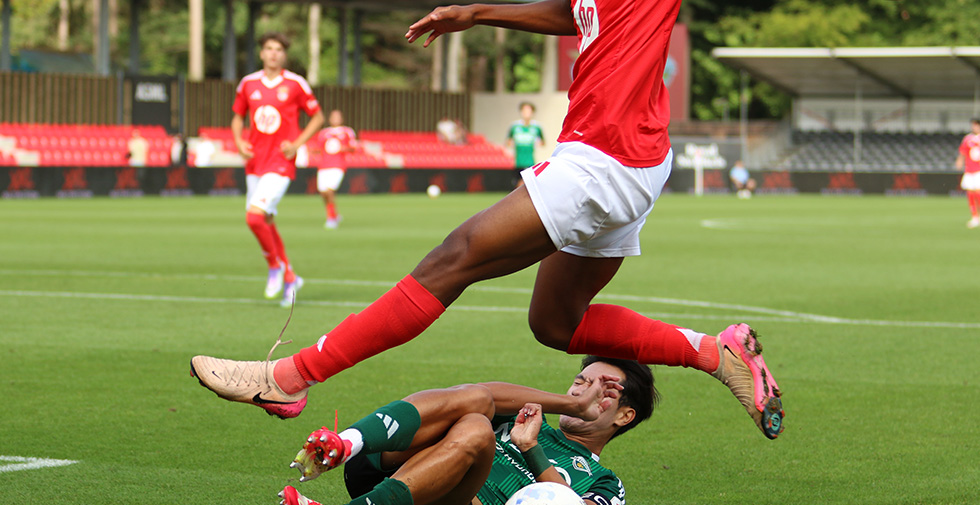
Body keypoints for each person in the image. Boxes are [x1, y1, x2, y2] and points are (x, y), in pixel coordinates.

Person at [190, 0, 784, 440]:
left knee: (455, 258)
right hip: (629, 158)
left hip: (604, 158)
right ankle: (715, 352)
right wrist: (478, 14)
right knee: (556, 323)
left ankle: (293, 375)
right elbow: (577, 15)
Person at [278, 356, 655, 505]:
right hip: (384, 465)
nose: (586, 391)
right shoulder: (532, 416)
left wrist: (531, 448)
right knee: (476, 403)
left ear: (624, 415)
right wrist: (572, 404)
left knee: (476, 428)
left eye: (604, 390)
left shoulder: (605, 481)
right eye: (581, 381)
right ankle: (346, 444)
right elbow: (481, 393)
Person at [232, 32, 325, 307]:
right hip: (255, 161)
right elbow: (237, 117)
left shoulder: (295, 84)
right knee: (265, 221)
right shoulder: (248, 83)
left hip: (281, 162)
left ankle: (275, 267)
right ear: (261, 53)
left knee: (253, 217)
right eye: (269, 49)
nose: (273, 53)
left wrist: (297, 144)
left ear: (284, 55)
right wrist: (238, 142)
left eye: (278, 50)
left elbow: (317, 117)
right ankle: (291, 278)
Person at [311, 109, 357, 229]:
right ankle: (334, 214)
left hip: (337, 165)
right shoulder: (324, 133)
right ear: (330, 119)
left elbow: (353, 147)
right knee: (323, 192)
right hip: (324, 165)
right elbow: (318, 148)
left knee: (329, 191)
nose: (335, 119)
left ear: (342, 119)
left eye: (338, 116)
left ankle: (331, 217)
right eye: (333, 116)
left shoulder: (347, 131)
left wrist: (341, 148)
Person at [506, 101, 545, 187]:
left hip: (530, 161)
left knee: (529, 185)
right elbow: (508, 141)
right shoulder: (514, 126)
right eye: (524, 111)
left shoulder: (536, 127)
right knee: (517, 185)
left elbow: (542, 142)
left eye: (528, 111)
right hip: (518, 162)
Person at [955, 118, 980, 229]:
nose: (973, 127)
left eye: (976, 125)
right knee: (970, 192)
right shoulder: (967, 138)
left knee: (978, 192)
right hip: (969, 170)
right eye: (973, 125)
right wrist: (959, 161)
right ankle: (975, 216)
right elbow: (963, 151)